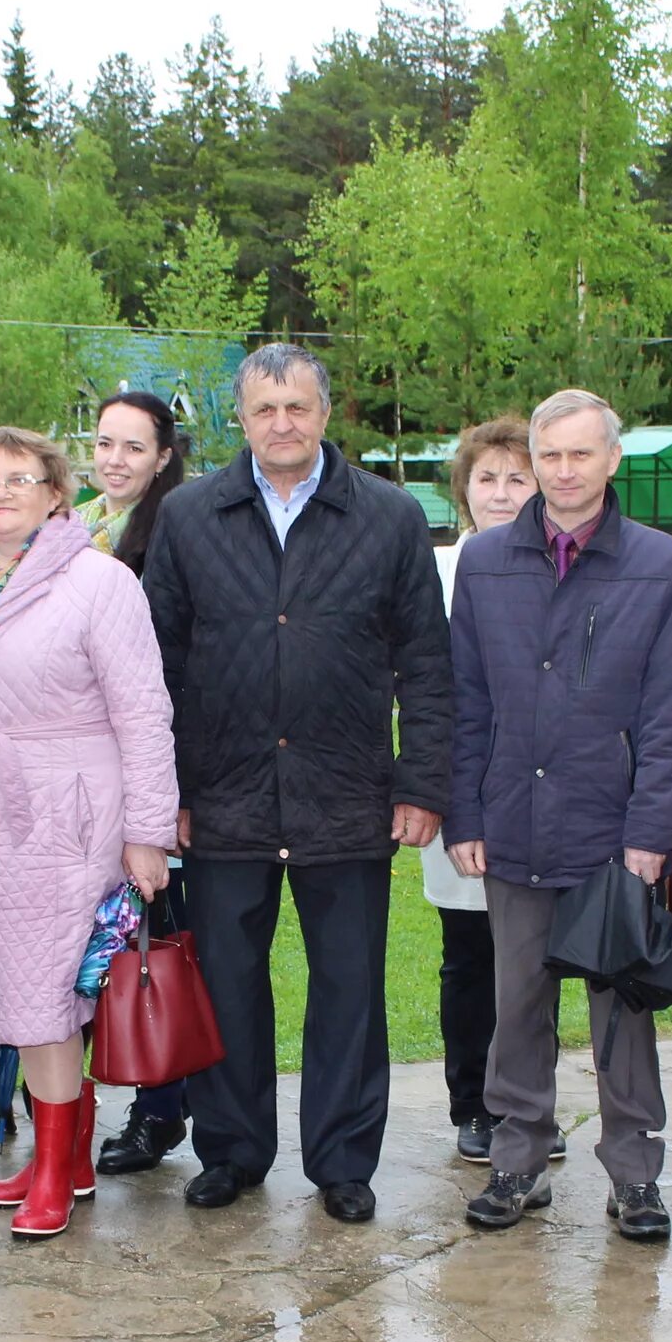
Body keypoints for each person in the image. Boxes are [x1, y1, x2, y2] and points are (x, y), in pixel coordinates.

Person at [140, 344, 451, 1224]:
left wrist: (422, 782)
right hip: (223, 794)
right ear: (240, 417)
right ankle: (232, 1150)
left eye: (299, 407)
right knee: (227, 982)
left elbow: (428, 663)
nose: (283, 423)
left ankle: (344, 1161)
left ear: (325, 413)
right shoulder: (191, 516)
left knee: (348, 986)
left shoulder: (388, 517)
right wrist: (166, 795)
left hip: (348, 792)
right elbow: (153, 664)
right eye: (266, 408)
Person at [447, 390, 672, 1243]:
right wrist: (466, 813)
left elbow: (669, 715)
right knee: (518, 1003)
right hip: (513, 820)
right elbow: (465, 702)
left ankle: (635, 1176)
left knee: (620, 1013)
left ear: (611, 460)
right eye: (549, 455)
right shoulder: (484, 563)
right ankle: (517, 1159)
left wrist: (649, 832)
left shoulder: (660, 564)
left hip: (610, 828)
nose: (562, 471)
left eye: (579, 454)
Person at [0, 427, 179, 1237]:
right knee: (25, 992)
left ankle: (48, 1168)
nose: (2, 492)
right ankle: (66, 1157)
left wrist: (146, 832)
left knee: (45, 995)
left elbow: (144, 713)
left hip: (71, 820)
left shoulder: (100, 583)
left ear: (54, 493)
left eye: (22, 478)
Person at [81, 388, 197, 1176]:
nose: (115, 460)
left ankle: (159, 1110)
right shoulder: (73, 526)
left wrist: (171, 798)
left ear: (162, 457)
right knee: (81, 949)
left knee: (152, 950)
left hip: (155, 768)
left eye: (133, 446)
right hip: (78, 779)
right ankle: (61, 1106)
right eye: (104, 443)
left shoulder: (181, 531)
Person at [423, 417, 534, 1165]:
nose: (500, 492)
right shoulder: (434, 572)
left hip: (542, 794)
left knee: (533, 959)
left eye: (515, 478)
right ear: (464, 489)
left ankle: (527, 1101)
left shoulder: (559, 567)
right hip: (459, 783)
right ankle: (474, 1104)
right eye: (486, 478)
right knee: (469, 955)